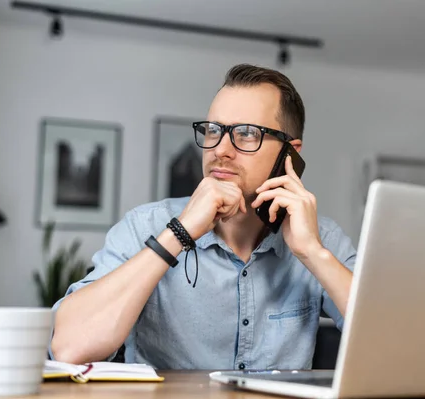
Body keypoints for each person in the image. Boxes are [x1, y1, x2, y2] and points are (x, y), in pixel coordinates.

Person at [50, 64, 356, 370]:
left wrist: (312, 253)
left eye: (247, 134)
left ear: (289, 153)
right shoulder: (143, 226)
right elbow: (68, 348)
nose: (220, 149)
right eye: (213, 130)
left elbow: (395, 348)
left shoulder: (322, 240)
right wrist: (179, 233)